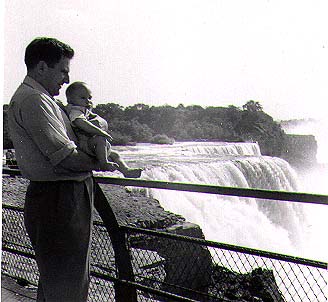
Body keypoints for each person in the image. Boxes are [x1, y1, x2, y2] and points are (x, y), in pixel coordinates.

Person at [7, 37, 121, 302]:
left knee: (57, 282)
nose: (66, 80)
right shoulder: (34, 100)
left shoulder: (41, 99)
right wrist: (102, 163)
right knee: (67, 285)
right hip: (58, 199)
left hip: (58, 197)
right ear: (42, 67)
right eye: (62, 71)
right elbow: (66, 158)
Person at [65, 81, 142, 178]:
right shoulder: (75, 111)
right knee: (100, 139)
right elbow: (82, 123)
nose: (88, 101)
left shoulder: (83, 110)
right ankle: (104, 163)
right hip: (85, 144)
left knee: (115, 154)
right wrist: (100, 131)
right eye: (83, 98)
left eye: (89, 98)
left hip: (91, 144)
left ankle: (126, 171)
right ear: (70, 99)